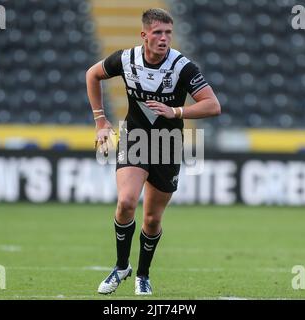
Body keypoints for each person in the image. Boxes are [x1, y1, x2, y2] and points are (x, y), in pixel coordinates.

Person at [86, 8, 220, 295]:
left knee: (152, 219)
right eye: (158, 33)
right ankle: (122, 266)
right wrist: (100, 120)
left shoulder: (183, 67)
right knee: (126, 202)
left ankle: (143, 275)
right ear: (144, 35)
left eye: (168, 33)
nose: (164, 38)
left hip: (167, 144)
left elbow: (213, 105)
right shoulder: (125, 58)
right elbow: (92, 75)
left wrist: (177, 110)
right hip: (135, 137)